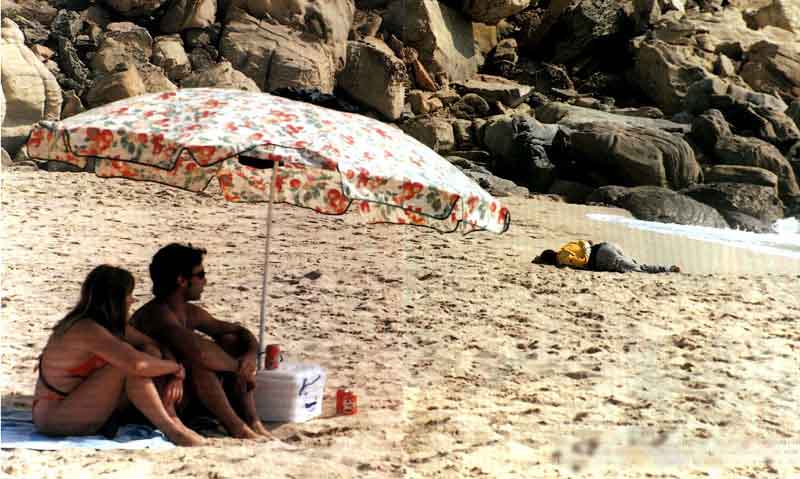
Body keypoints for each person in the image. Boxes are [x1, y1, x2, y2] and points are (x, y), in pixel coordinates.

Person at [33, 265, 205, 446]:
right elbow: (137, 365)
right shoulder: (86, 329)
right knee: (127, 367)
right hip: (55, 416)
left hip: (78, 404)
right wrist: (176, 368)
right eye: (129, 294)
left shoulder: (108, 326)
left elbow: (151, 345)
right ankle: (172, 429)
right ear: (115, 299)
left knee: (146, 354)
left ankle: (170, 416)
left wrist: (169, 371)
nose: (132, 300)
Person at [130, 243, 270, 439]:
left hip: (183, 394)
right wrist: (239, 367)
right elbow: (199, 352)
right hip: (159, 401)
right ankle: (237, 427)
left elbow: (240, 332)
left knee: (231, 341)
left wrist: (250, 355)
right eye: (201, 275)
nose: (205, 281)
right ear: (182, 280)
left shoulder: (189, 312)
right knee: (196, 362)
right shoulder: (157, 315)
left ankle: (253, 422)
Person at [532, 240, 680, 274]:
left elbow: (582, 262)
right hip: (607, 245)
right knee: (635, 265)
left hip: (602, 257)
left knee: (637, 269)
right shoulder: (567, 246)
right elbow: (586, 242)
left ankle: (668, 268)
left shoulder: (561, 258)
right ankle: (667, 268)